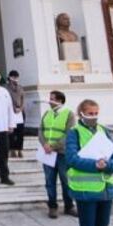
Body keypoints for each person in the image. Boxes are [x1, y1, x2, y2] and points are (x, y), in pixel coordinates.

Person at [40, 90, 76, 219]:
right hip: (47, 153)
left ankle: (69, 206)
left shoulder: (69, 114)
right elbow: (41, 130)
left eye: (52, 99)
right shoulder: (47, 113)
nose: (49, 101)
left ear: (60, 101)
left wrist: (53, 146)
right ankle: (52, 206)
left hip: (62, 153)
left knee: (65, 180)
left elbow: (69, 133)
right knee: (49, 180)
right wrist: (44, 144)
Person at [6, 70, 25, 158]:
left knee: (20, 133)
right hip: (10, 112)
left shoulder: (20, 87)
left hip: (20, 112)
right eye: (13, 77)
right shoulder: (6, 88)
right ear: (10, 78)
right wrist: (13, 108)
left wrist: (21, 108)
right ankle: (12, 149)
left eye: (16, 77)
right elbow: (7, 100)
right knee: (11, 133)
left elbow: (23, 99)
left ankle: (20, 149)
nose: (15, 79)